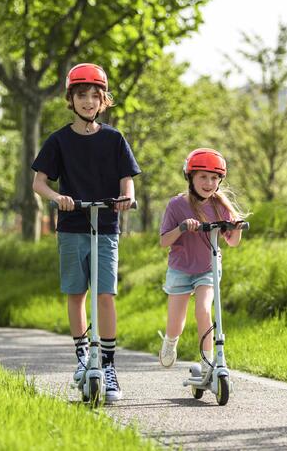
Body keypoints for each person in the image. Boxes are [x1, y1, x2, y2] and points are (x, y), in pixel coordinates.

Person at [31, 62, 140, 403]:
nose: (89, 102)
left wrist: (127, 199)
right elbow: (39, 183)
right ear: (71, 99)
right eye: (82, 96)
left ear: (103, 101)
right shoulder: (59, 141)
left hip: (106, 226)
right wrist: (57, 198)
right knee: (77, 293)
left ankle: (107, 365)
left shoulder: (114, 139)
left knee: (105, 294)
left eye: (95, 96)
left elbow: (127, 180)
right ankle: (82, 359)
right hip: (72, 225)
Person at [157, 148, 246, 373]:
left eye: (214, 178)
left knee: (204, 311)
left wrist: (236, 228)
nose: (209, 183)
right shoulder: (176, 205)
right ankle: (169, 342)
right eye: (203, 177)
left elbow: (233, 242)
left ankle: (208, 362)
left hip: (208, 268)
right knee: (176, 323)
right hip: (180, 270)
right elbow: (164, 241)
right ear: (190, 178)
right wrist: (182, 227)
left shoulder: (220, 206)